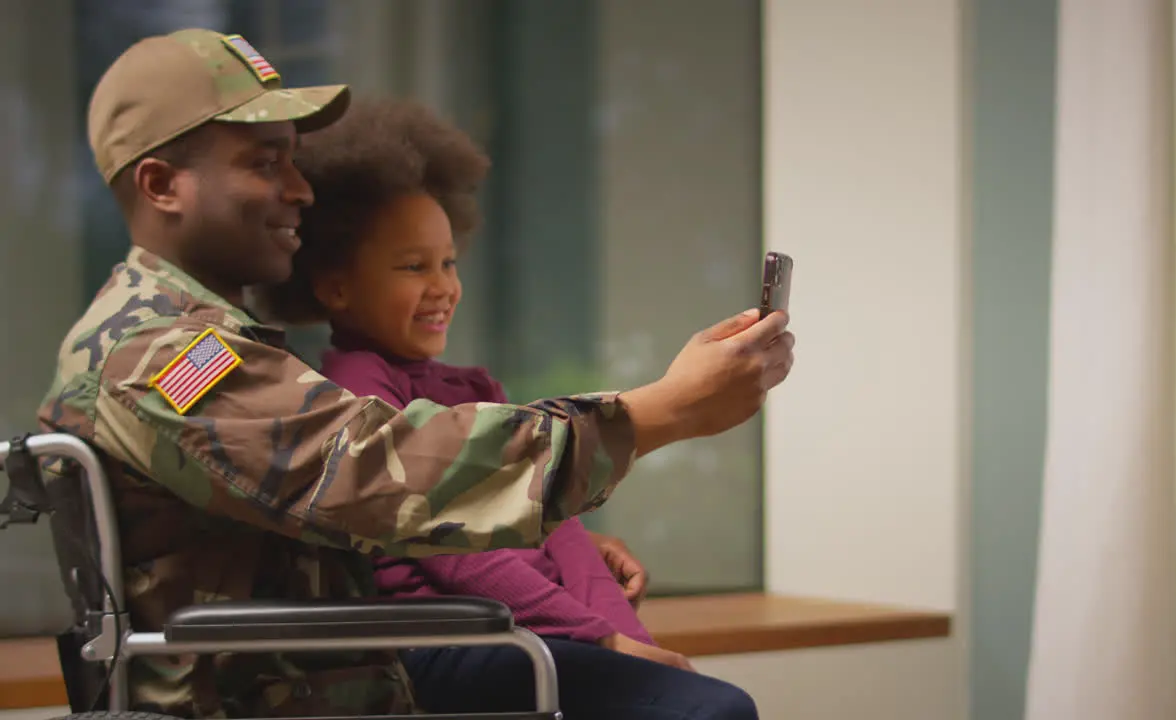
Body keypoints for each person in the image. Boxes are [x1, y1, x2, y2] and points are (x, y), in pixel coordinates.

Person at [37, 28, 793, 719]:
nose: (300, 188)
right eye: (264, 163)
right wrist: (658, 413)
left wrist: (557, 544)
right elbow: (370, 469)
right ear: (162, 185)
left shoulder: (191, 340)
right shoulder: (162, 353)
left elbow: (307, 515)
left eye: (294, 159)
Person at [256, 98, 759, 719]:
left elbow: (560, 526)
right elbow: (460, 558)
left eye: (448, 262)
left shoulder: (472, 388)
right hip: (443, 642)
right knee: (712, 711)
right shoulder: (353, 392)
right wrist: (602, 640)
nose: (442, 286)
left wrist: (629, 640)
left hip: (529, 632)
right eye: (414, 266)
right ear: (336, 286)